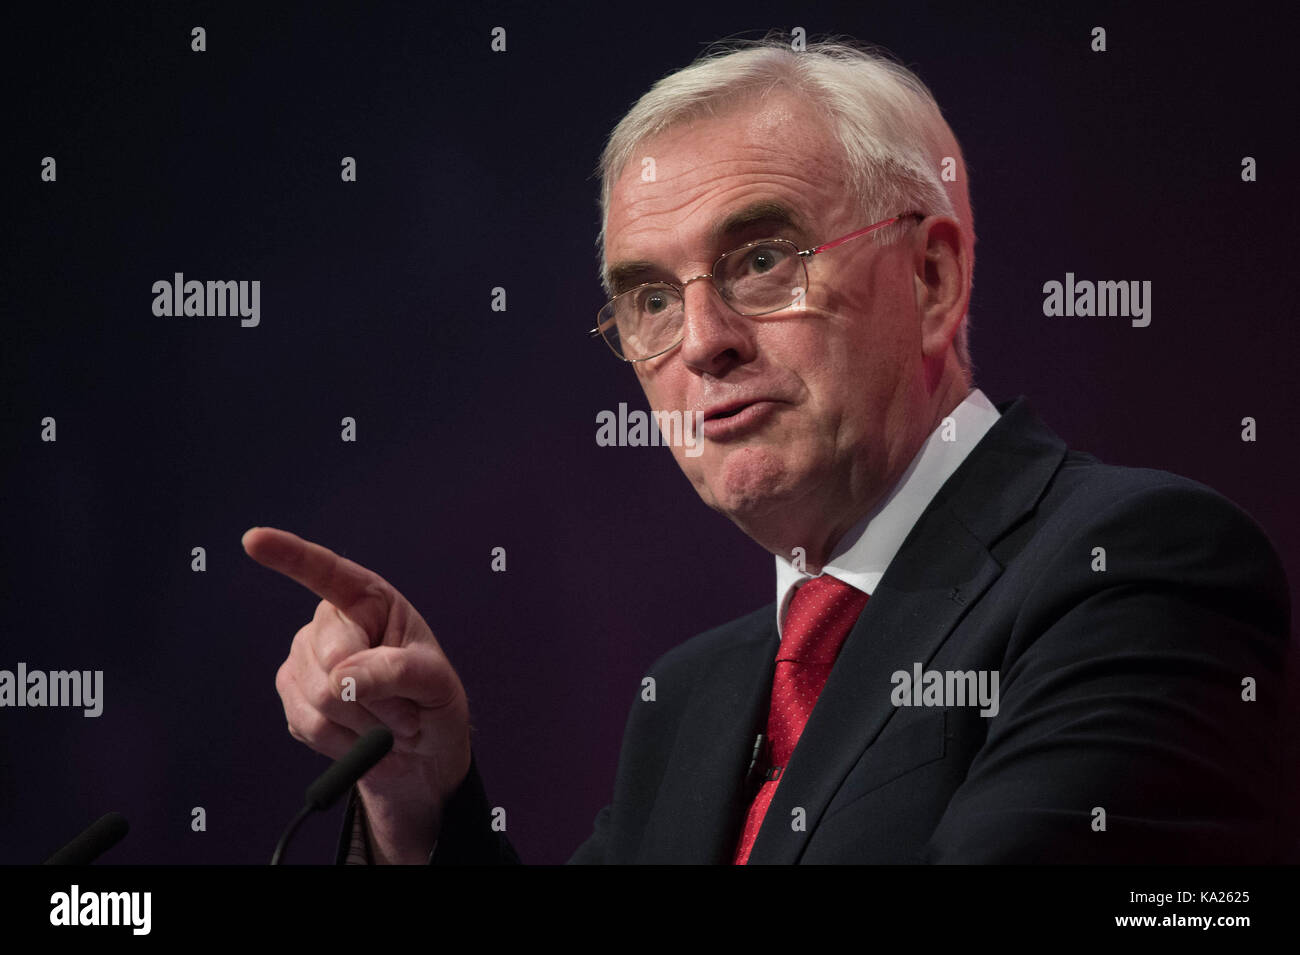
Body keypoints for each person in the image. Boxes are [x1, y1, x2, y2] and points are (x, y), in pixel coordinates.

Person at [241, 35, 1290, 864]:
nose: (703, 341)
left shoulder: (1129, 569)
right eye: (651, 298)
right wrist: (419, 805)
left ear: (930, 280)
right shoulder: (694, 696)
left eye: (760, 260)